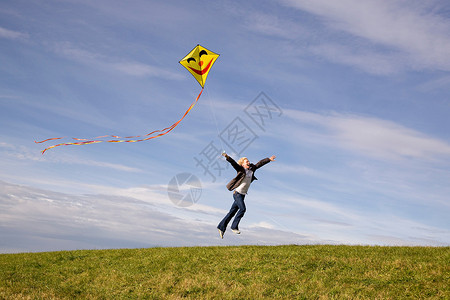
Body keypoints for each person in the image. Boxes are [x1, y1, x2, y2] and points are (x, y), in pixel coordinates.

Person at [217, 152, 276, 239]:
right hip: (237, 194)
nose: (248, 162)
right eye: (246, 161)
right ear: (242, 164)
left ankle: (221, 227)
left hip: (243, 195)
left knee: (232, 212)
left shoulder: (252, 169)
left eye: (248, 161)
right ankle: (234, 227)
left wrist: (269, 160)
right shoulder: (240, 170)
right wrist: (227, 157)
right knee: (243, 209)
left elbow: (259, 163)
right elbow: (233, 163)